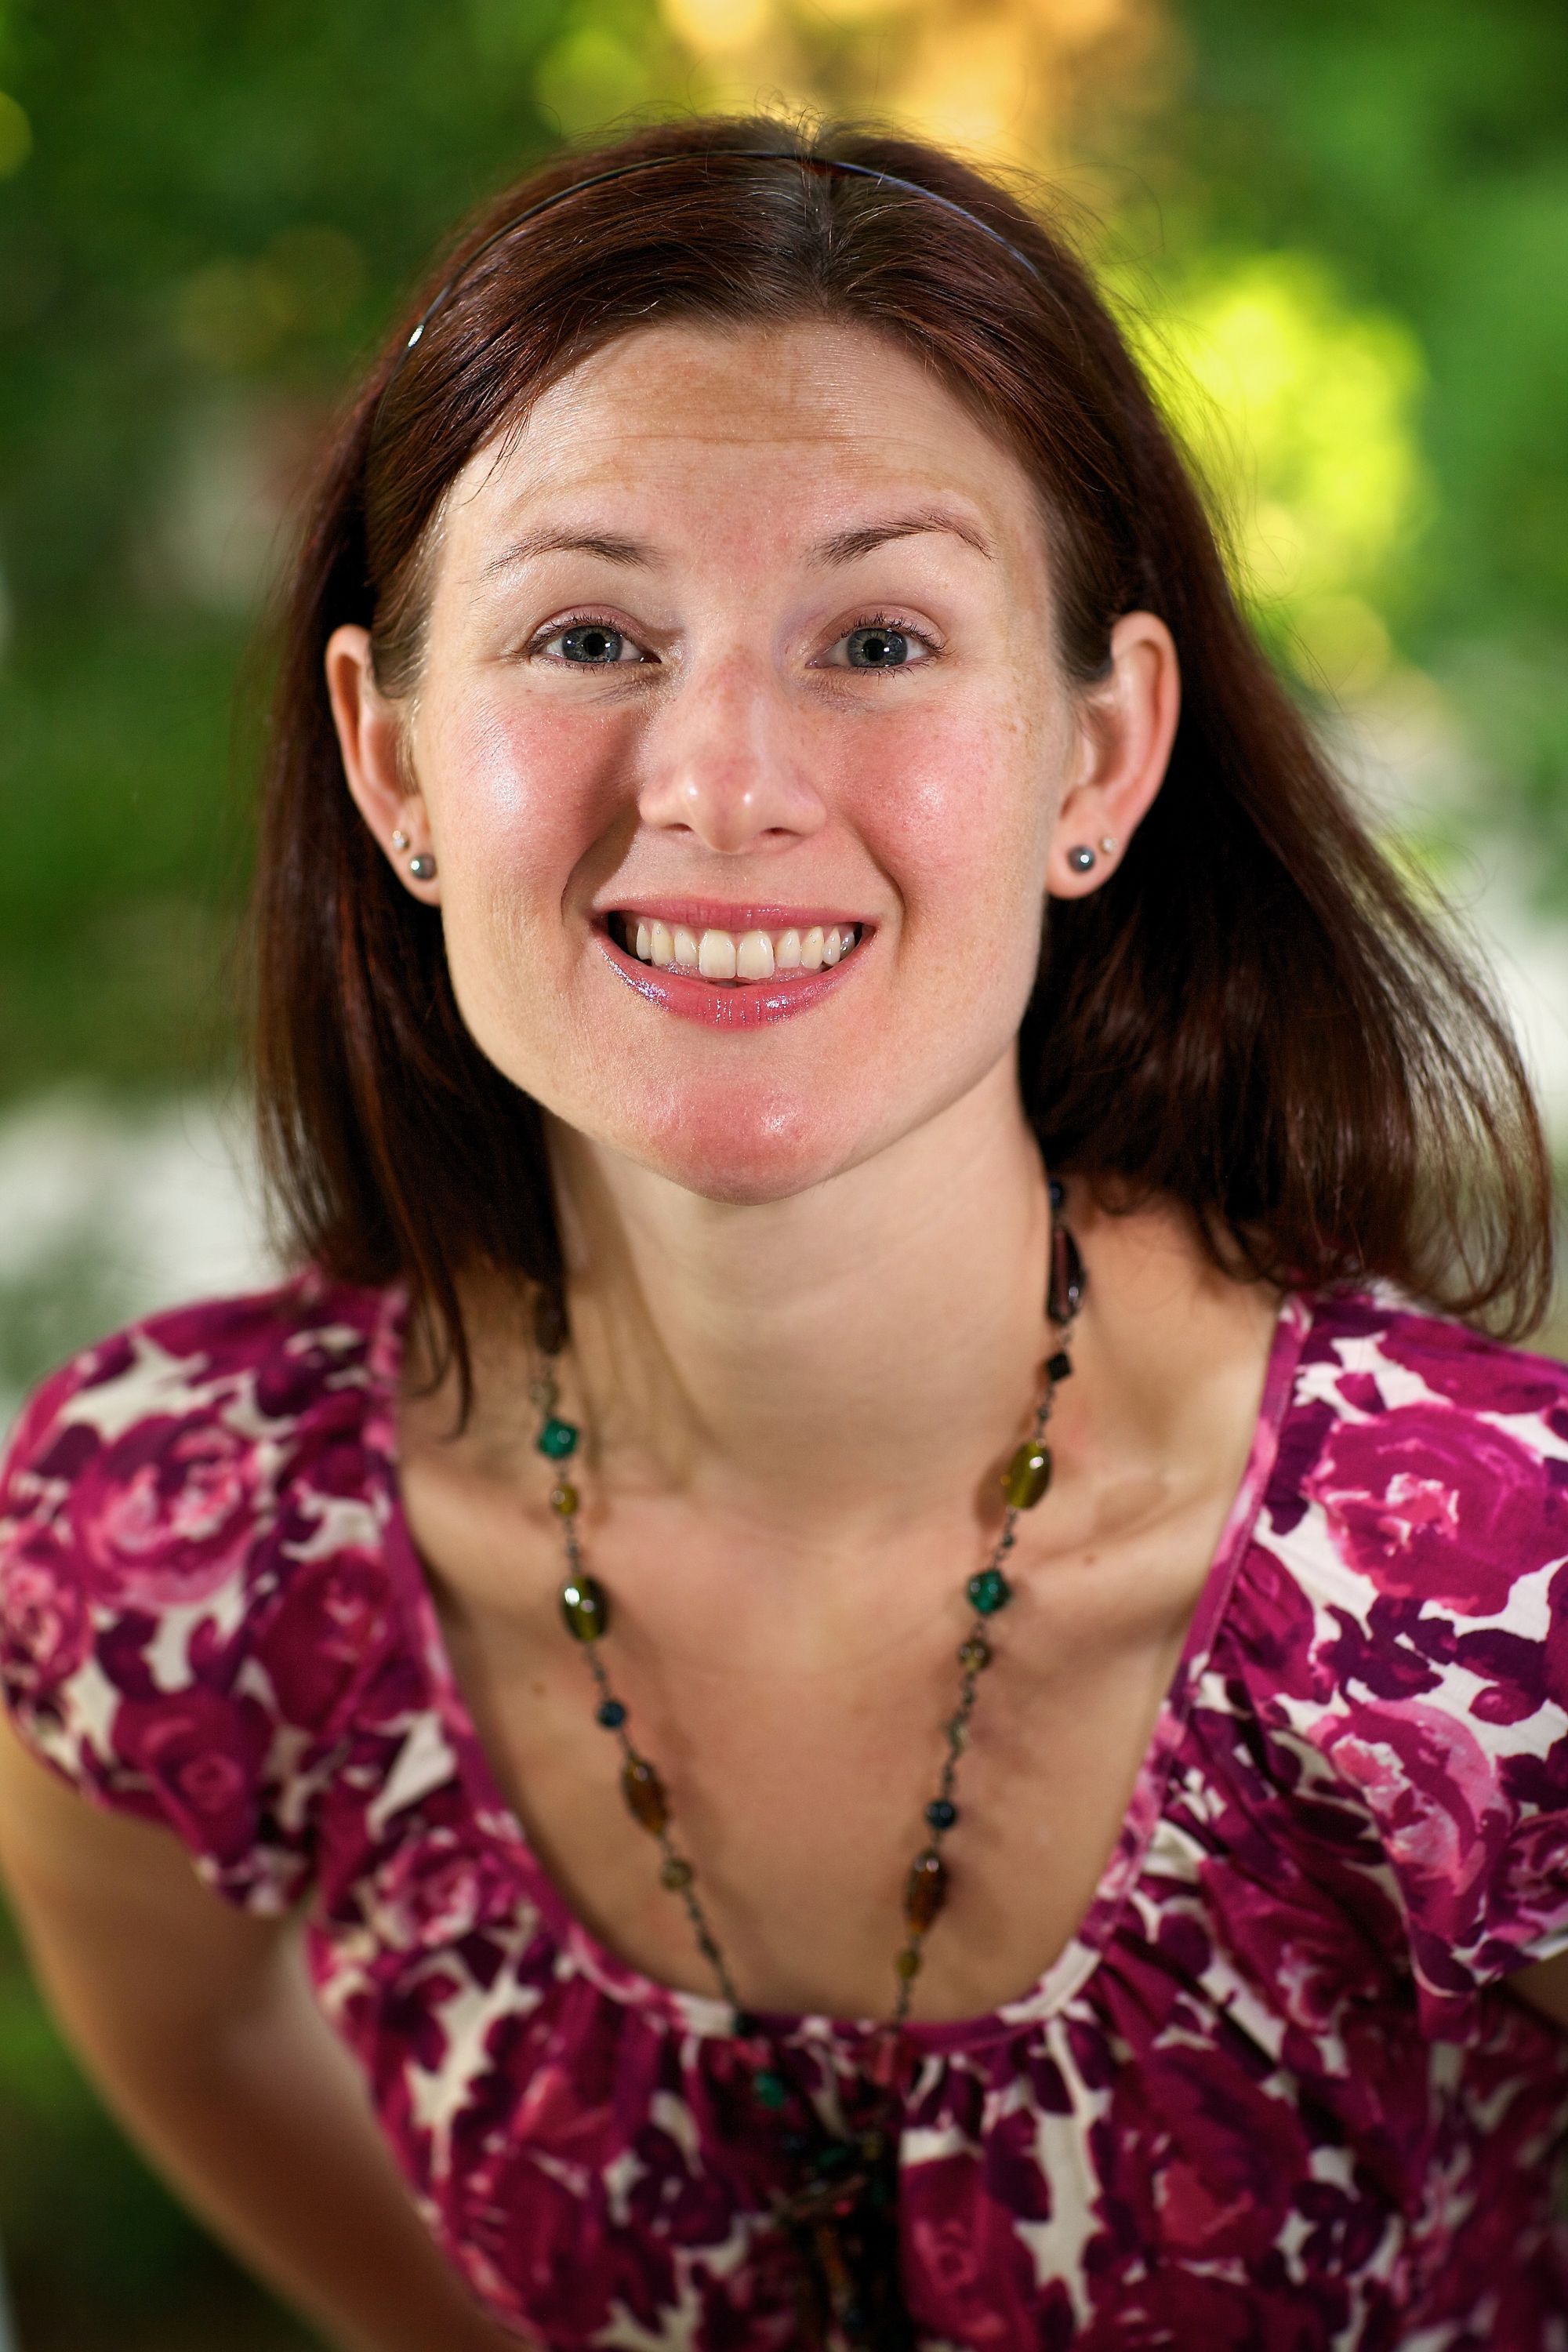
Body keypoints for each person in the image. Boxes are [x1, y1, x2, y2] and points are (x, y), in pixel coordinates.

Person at [1, 114, 1565, 2352]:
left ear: (1100, 761)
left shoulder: (1494, 1605)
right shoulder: (174, 1550)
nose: (722, 778)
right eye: (590, 629)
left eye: (882, 634)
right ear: (396, 763)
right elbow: (199, 2041)